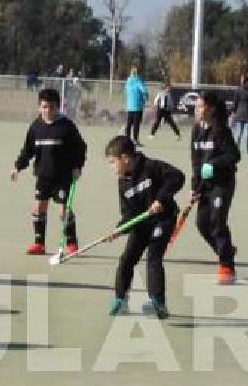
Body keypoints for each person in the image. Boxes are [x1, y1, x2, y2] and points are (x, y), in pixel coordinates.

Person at [103, 135, 184, 319]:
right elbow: (128, 213)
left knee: (153, 256)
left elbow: (177, 176)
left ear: (125, 158)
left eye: (112, 162)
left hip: (164, 219)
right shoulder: (123, 183)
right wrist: (119, 229)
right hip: (141, 223)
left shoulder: (151, 166)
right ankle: (120, 299)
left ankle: (158, 302)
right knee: (127, 259)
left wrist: (161, 199)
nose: (111, 168)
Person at [11, 88, 87, 256]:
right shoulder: (35, 127)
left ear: (58, 107)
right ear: (39, 107)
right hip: (43, 176)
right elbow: (27, 151)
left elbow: (80, 148)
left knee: (63, 211)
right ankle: (39, 244)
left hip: (63, 177)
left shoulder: (66, 126)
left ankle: (71, 242)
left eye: (52, 107)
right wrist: (17, 167)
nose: (48, 111)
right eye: (44, 107)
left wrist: (78, 166)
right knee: (39, 208)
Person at [191, 91, 242, 285]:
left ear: (210, 109)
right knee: (202, 224)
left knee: (217, 223)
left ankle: (226, 265)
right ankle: (226, 250)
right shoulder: (196, 129)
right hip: (205, 185)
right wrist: (194, 186)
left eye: (200, 106)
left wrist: (213, 164)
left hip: (222, 183)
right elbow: (195, 160)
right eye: (195, 106)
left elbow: (234, 155)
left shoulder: (221, 130)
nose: (196, 110)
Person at [124, 67, 148, 146]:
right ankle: (135, 140)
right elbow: (144, 91)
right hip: (138, 106)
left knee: (129, 124)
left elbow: (126, 91)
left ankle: (126, 139)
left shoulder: (128, 81)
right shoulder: (139, 81)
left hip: (129, 106)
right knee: (136, 124)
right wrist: (145, 99)